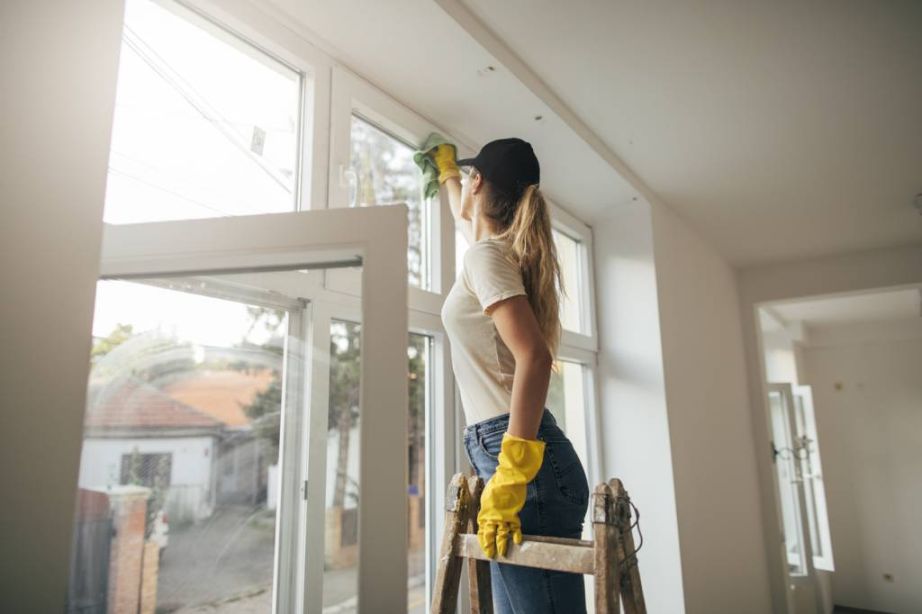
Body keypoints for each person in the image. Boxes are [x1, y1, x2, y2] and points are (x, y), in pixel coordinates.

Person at [430, 138, 590, 613]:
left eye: (464, 178)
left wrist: (513, 473)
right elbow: (468, 219)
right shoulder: (494, 253)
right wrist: (445, 176)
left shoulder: (486, 258)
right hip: (520, 456)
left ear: (477, 183)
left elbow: (535, 359)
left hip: (521, 461)